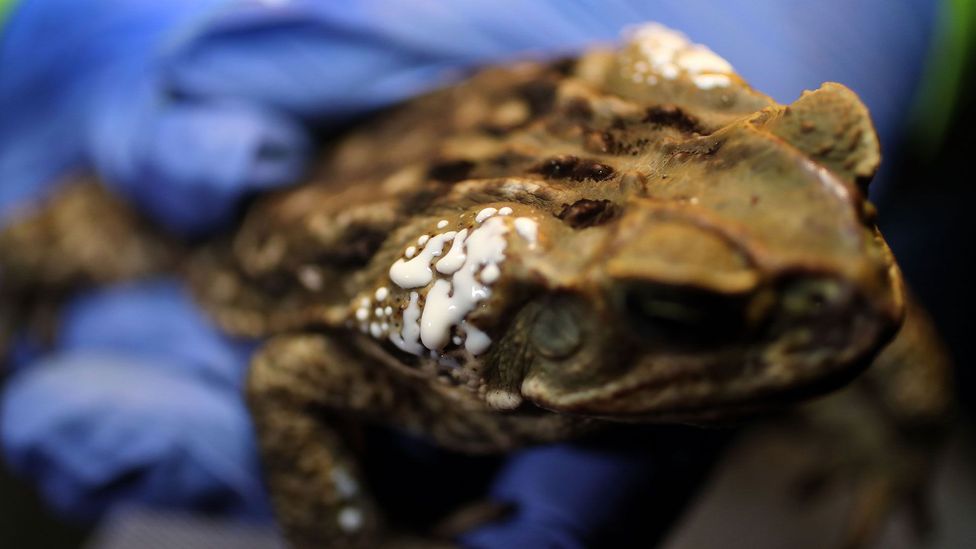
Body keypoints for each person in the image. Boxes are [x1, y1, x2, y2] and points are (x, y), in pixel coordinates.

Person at [0, 1, 938, 546]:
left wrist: (907, 415)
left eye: (845, 187)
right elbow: (289, 371)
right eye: (679, 306)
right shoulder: (461, 340)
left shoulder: (813, 257)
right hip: (281, 215)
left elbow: (836, 271)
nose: (858, 274)